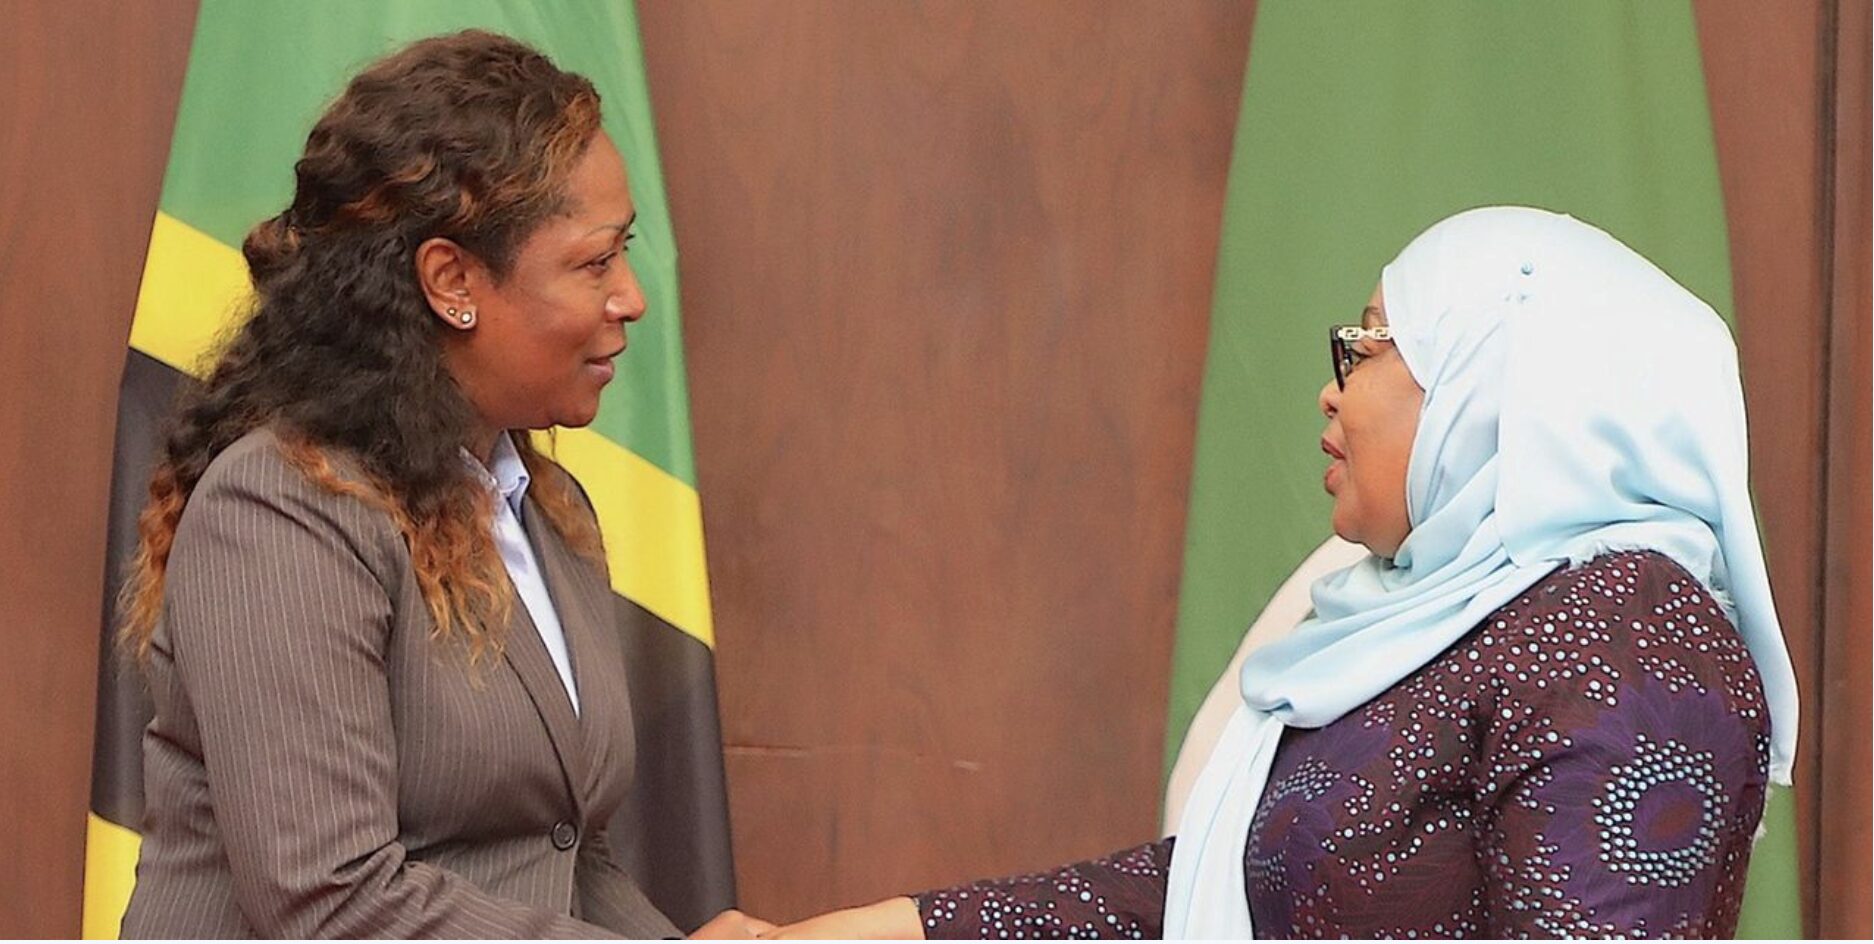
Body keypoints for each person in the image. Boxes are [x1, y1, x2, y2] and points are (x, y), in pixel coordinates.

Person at [768, 207, 1800, 939]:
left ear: (1492, 380)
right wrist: (888, 928)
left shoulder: (1624, 631)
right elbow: (1228, 888)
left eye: (1368, 348)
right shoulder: (1426, 620)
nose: (1330, 391)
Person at [116, 31, 768, 939]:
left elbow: (564, 854)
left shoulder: (547, 508)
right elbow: (328, 901)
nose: (631, 296)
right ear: (451, 279)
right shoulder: (281, 507)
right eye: (594, 262)